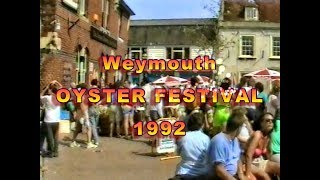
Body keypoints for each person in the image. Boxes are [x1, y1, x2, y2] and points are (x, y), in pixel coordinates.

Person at [208, 107, 248, 179]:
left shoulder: (235, 140)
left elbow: (237, 159)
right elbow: (219, 170)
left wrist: (241, 175)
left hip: (233, 176)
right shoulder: (219, 141)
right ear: (238, 128)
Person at [173, 110, 210, 179]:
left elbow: (178, 152)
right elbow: (208, 157)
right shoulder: (206, 139)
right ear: (202, 125)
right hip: (201, 173)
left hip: (183, 172)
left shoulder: (183, 137)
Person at [245, 113, 280, 179]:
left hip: (259, 161)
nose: (270, 122)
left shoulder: (268, 136)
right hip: (248, 163)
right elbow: (248, 155)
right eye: (267, 120)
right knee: (265, 176)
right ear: (261, 123)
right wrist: (248, 173)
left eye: (272, 121)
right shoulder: (257, 134)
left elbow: (267, 155)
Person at [70, 83, 97, 148]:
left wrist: (75, 113)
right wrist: (85, 116)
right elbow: (83, 106)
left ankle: (73, 142)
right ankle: (89, 143)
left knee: (77, 129)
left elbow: (74, 105)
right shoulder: (84, 96)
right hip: (84, 114)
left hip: (78, 113)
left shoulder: (77, 96)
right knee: (89, 128)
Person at [40, 80, 62, 157]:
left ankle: (51, 152)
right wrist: (57, 82)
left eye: (50, 89)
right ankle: (56, 152)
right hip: (57, 120)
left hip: (48, 121)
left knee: (50, 138)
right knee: (56, 137)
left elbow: (40, 96)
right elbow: (62, 89)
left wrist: (46, 87)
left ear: (51, 91)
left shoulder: (47, 98)